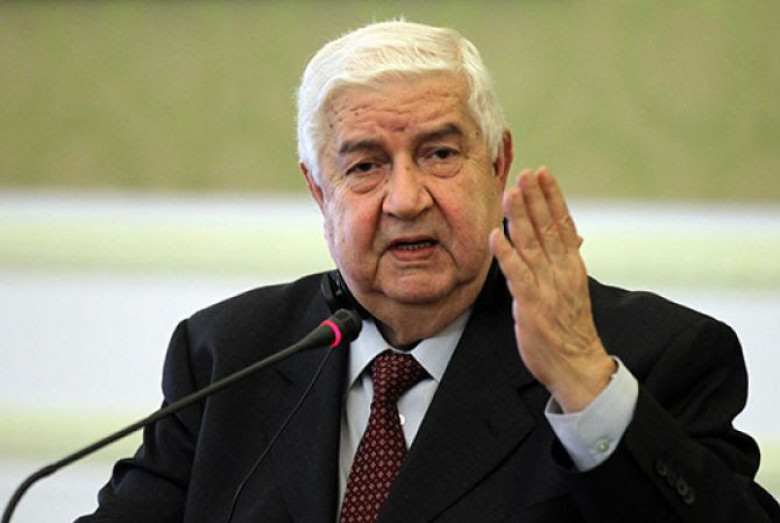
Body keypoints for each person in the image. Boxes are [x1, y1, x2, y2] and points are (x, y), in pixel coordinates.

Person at [77, 20, 779, 523]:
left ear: (497, 165)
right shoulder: (230, 354)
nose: (406, 199)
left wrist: (584, 385)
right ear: (320, 191)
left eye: (440, 154)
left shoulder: (652, 355)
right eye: (365, 165)